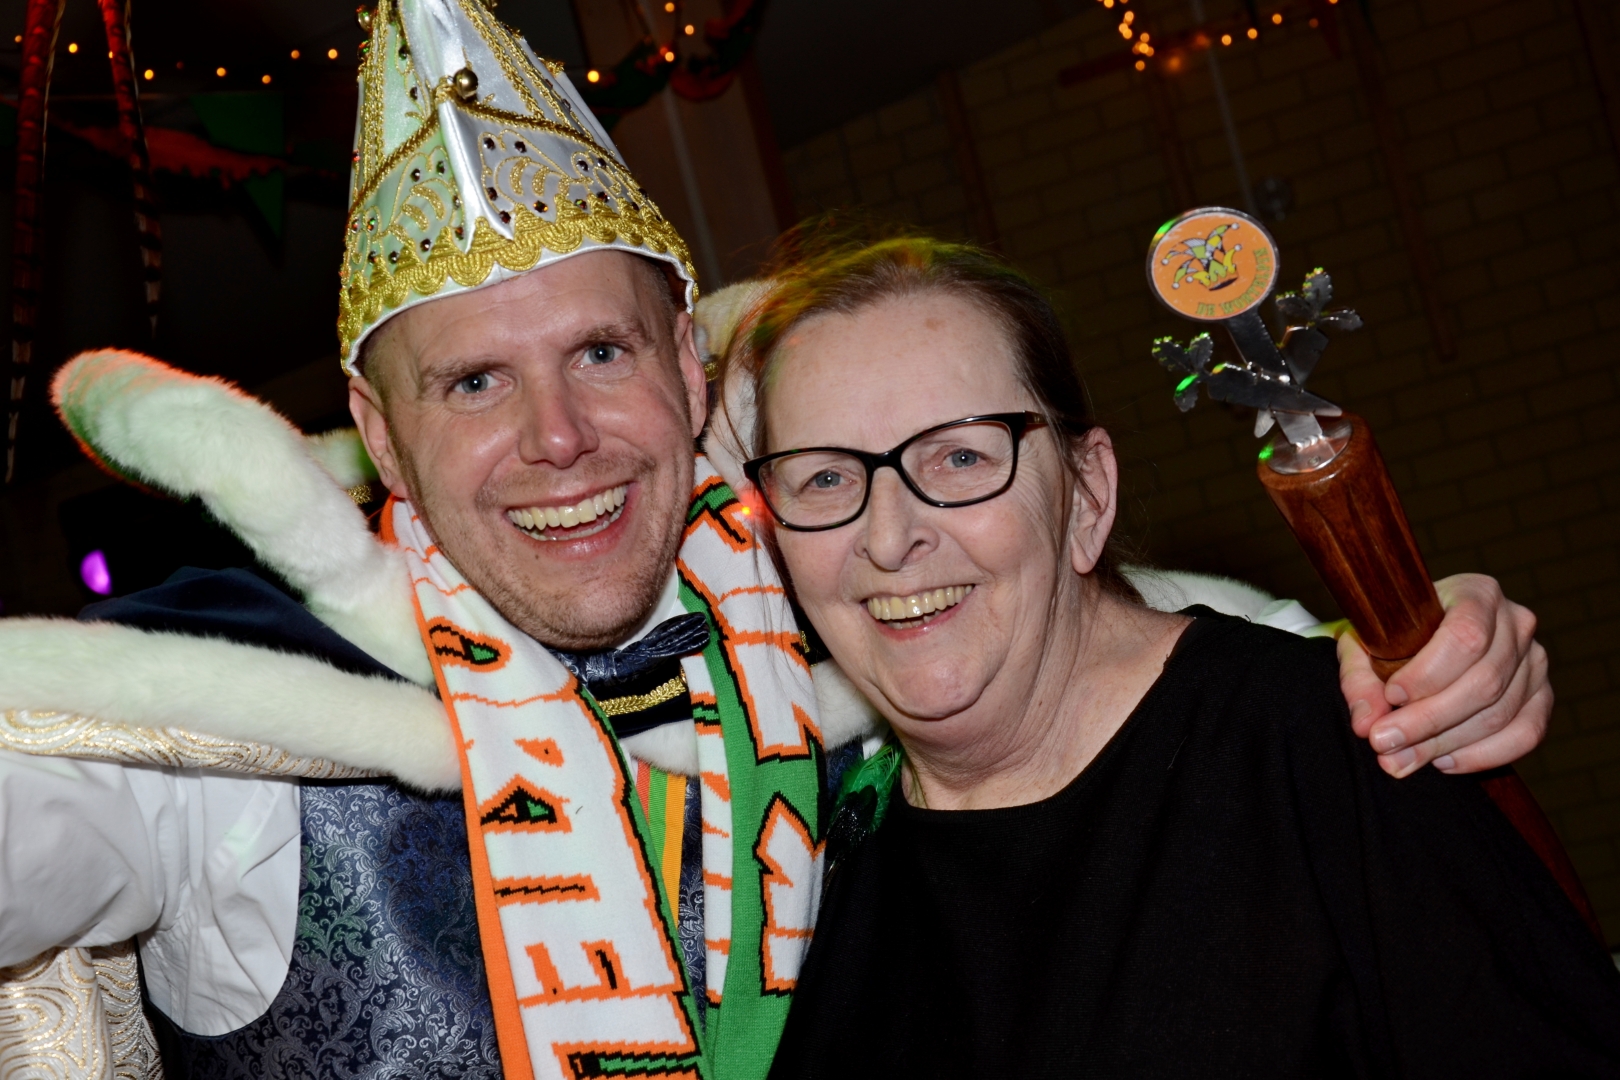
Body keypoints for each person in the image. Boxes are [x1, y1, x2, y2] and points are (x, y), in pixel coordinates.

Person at [0, 5, 1557, 1078]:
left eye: (601, 353)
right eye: (473, 382)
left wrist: (1423, 654)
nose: (559, 437)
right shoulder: (218, 735)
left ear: (691, 374)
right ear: (379, 431)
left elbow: (1112, 653)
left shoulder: (858, 639)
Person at [713, 235, 1620, 1078]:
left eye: (960, 458)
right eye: (824, 476)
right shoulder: (799, 874)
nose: (889, 536)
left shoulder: (1325, 747)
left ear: (1087, 495)